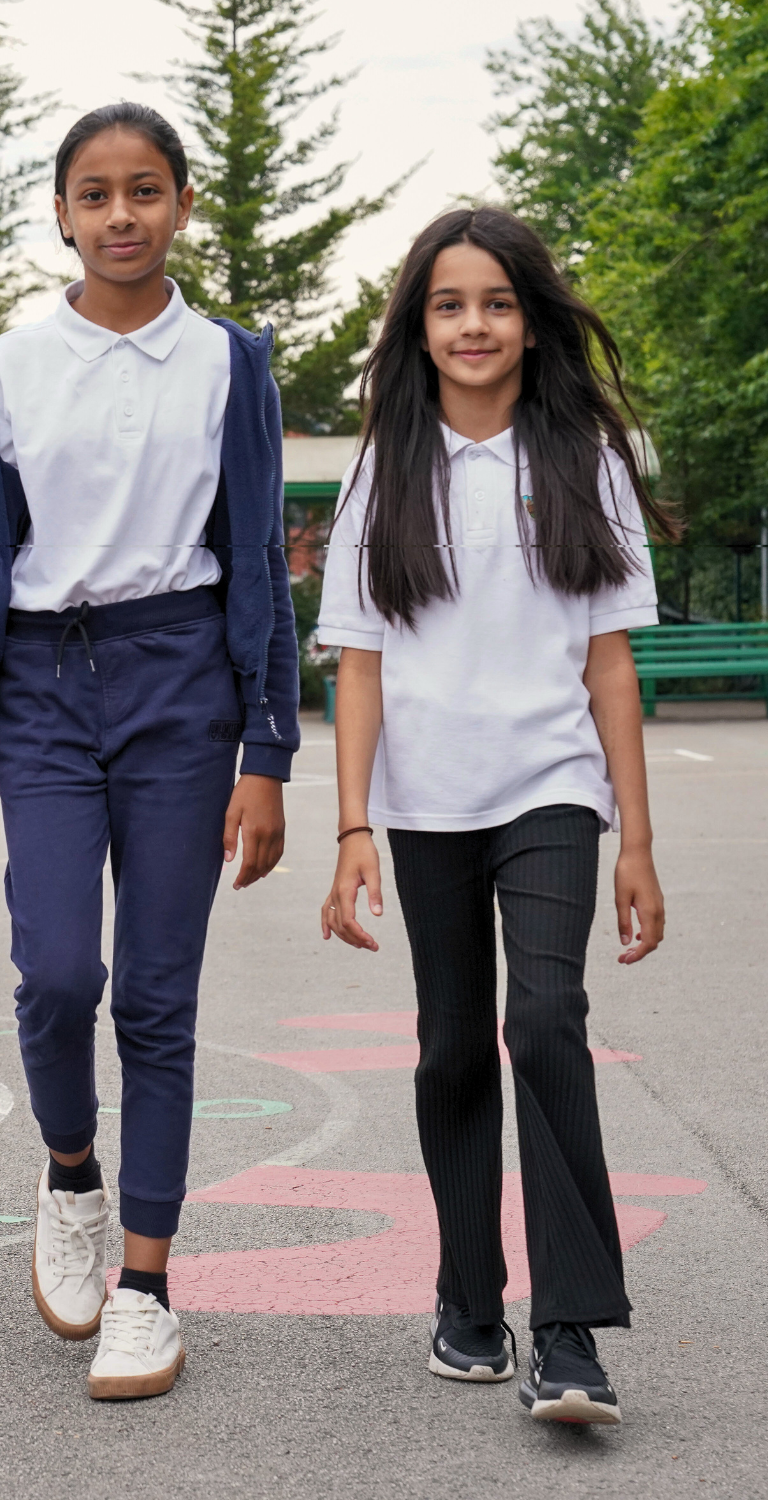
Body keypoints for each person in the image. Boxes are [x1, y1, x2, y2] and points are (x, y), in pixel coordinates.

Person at [0, 103, 298, 1400]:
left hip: (183, 679)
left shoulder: (231, 364)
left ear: (183, 205)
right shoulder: (5, 368)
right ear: (62, 214)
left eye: (147, 190)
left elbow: (257, 562)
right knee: (59, 974)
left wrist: (270, 746)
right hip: (39, 683)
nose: (122, 214)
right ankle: (71, 1173)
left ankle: (145, 1284)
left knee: (155, 993)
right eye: (96, 193)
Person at [318, 205, 675, 1426]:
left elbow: (611, 663)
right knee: (452, 1043)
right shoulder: (383, 467)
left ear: (529, 321)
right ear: (417, 329)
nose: (472, 325)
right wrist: (351, 827)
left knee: (545, 1017)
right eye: (447, 304)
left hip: (550, 788)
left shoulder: (583, 458)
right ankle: (467, 1299)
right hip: (422, 805)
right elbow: (356, 661)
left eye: (495, 303)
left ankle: (569, 1329)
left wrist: (634, 837)